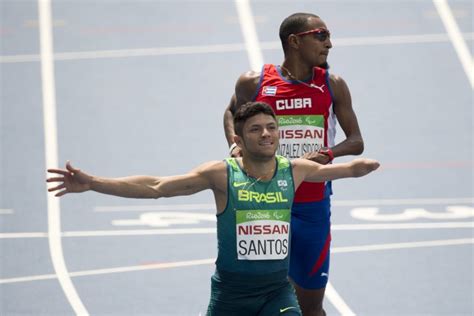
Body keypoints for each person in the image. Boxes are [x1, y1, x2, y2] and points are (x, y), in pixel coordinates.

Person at [47, 102, 377, 315]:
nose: (266, 134)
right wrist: (92, 182)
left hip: (277, 291)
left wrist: (359, 167)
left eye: (271, 127)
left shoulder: (294, 170)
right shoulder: (220, 174)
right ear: (239, 138)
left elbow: (342, 171)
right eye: (255, 129)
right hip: (231, 296)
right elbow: (156, 187)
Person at [223, 13, 364, 316]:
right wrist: (235, 146)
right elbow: (231, 112)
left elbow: (356, 142)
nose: (329, 43)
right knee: (261, 300)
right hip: (265, 201)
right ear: (295, 41)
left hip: (312, 206)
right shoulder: (255, 81)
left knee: (311, 308)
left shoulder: (333, 84)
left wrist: (325, 154)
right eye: (321, 35)